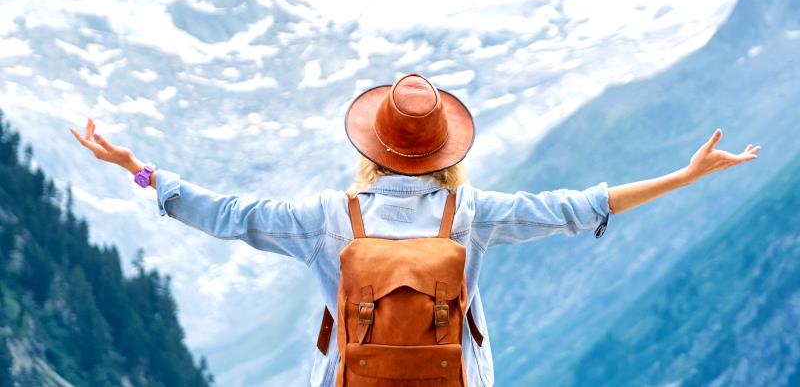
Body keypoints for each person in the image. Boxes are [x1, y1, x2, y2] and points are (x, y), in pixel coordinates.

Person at [70, 72, 760, 386]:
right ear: (447, 148)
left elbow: (225, 214)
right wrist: (686, 174)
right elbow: (583, 205)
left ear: (369, 147)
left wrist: (139, 169)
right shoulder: (477, 214)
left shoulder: (323, 219)